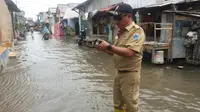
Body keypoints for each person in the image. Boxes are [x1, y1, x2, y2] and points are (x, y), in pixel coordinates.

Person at [96, 3, 145, 112]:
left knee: (130, 105)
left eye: (119, 18)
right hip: (119, 73)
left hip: (130, 74)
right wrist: (104, 49)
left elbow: (129, 52)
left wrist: (109, 46)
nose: (117, 21)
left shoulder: (137, 31)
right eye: (115, 18)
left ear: (129, 16)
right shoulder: (120, 33)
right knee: (118, 103)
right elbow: (115, 52)